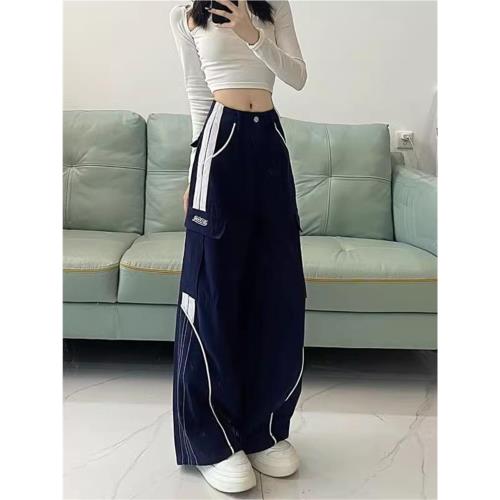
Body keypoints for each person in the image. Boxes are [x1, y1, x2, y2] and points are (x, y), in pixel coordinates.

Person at [169, 0, 307, 492]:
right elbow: (196, 92)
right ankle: (211, 441)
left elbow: (297, 77)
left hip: (268, 141)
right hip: (219, 141)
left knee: (278, 288)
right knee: (211, 293)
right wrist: (195, 173)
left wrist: (252, 32)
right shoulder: (186, 13)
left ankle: (263, 429)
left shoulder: (274, 6)